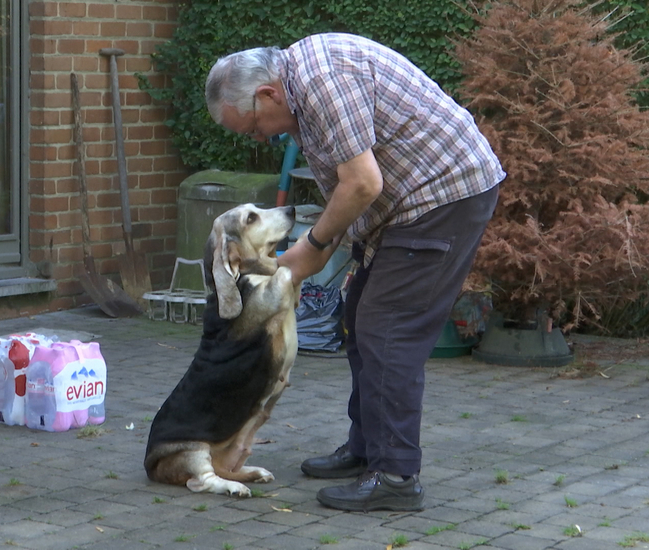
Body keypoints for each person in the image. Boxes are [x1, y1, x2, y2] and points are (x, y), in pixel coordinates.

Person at [205, 33, 505, 512]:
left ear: (267, 95)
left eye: (253, 129)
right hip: (404, 207)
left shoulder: (323, 78)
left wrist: (314, 248)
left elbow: (364, 181)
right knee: (360, 316)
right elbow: (352, 185)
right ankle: (369, 449)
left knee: (387, 329)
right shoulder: (300, 97)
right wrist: (343, 244)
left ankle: (395, 476)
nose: (260, 139)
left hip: (443, 198)